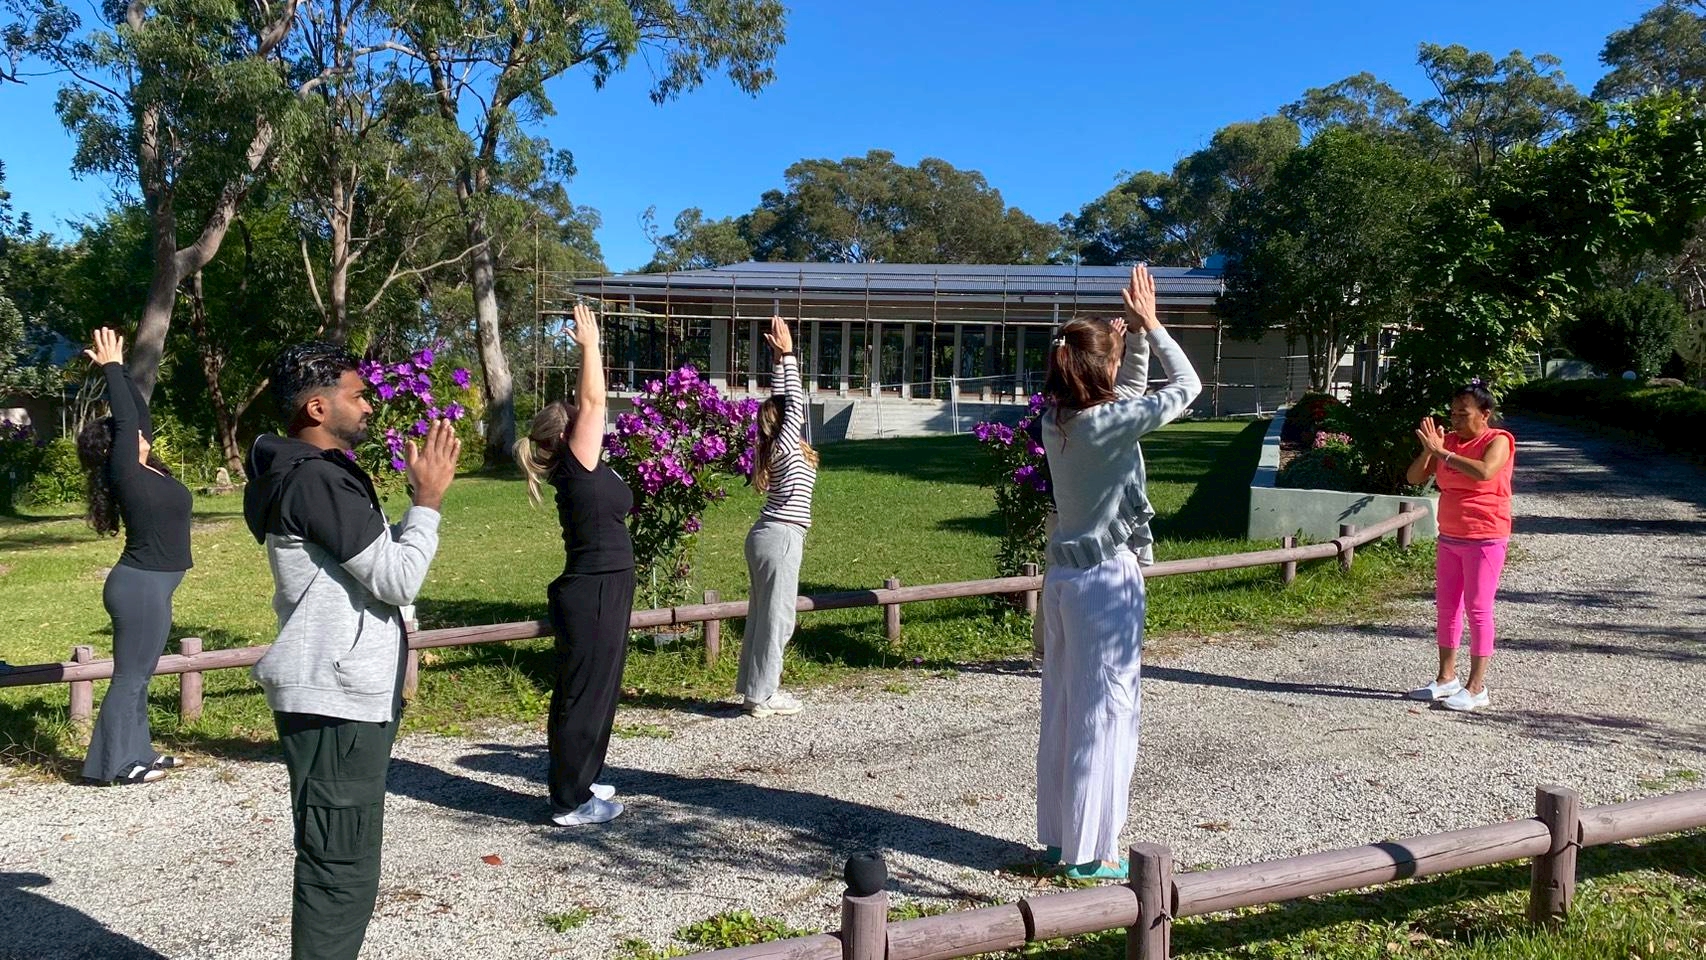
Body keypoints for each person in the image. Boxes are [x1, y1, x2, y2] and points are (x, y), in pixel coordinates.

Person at [244, 341, 459, 960]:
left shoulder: (314, 475)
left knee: (345, 860)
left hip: (343, 692)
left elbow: (370, 569)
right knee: (339, 868)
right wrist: (426, 503)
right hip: (335, 698)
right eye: (357, 395)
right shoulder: (313, 480)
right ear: (317, 406)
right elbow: (397, 579)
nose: (369, 406)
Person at [1036, 265, 1200, 881]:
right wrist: (1153, 326)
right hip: (1105, 581)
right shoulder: (1105, 424)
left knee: (1064, 705)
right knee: (1107, 711)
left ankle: (1059, 838)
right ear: (1098, 368)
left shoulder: (1060, 421)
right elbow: (1187, 386)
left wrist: (1124, 341)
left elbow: (1125, 398)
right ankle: (1088, 853)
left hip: (1061, 580)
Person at [514, 303, 634, 826]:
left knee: (593, 689)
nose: (596, 423)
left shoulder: (580, 468)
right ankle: (569, 800)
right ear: (568, 436)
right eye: (585, 423)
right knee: (584, 695)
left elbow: (588, 406)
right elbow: (592, 398)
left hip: (598, 588)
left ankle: (580, 778)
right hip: (595, 590)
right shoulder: (579, 465)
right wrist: (590, 346)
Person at [75, 327, 193, 786]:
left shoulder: (145, 471)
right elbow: (127, 419)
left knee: (140, 675)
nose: (142, 435)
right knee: (129, 678)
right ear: (118, 448)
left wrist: (123, 369)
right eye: (129, 436)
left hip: (152, 586)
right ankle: (113, 766)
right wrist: (109, 368)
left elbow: (136, 416)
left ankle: (138, 751)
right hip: (139, 587)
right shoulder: (128, 472)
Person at [1405, 380, 1515, 713]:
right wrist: (1429, 449)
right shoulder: (1447, 442)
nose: (1455, 419)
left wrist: (1442, 453)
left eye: (1463, 413)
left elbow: (1484, 472)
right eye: (1452, 413)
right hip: (1450, 536)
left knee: (1478, 609)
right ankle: (1446, 678)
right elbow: (1412, 478)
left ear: (1485, 413)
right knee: (1446, 607)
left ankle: (1476, 687)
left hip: (1485, 537)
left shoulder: (1498, 440)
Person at [735, 315, 820, 718]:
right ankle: (764, 695)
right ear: (783, 423)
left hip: (766, 535)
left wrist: (777, 362)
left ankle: (755, 689)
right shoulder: (786, 444)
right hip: (782, 537)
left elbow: (785, 401)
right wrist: (788, 356)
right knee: (779, 619)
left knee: (763, 617)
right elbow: (794, 403)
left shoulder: (774, 445)